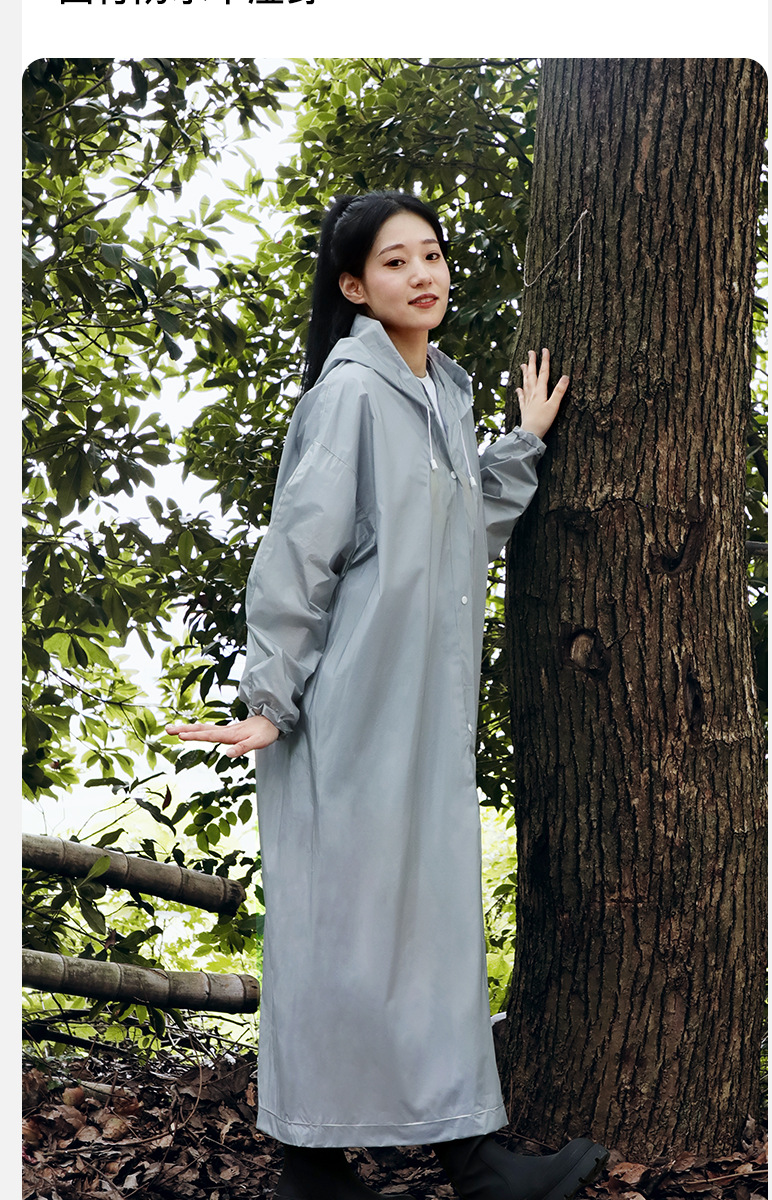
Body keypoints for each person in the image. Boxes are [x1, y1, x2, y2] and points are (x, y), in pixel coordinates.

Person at [167, 191, 609, 1200]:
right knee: (344, 933)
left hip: (423, 717)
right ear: (355, 287)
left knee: (426, 930)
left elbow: (464, 526)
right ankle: (326, 1163)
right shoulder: (350, 396)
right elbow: (299, 554)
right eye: (396, 261)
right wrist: (272, 698)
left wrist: (523, 443)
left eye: (432, 255)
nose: (423, 274)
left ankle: (441, 1156)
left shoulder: (442, 395)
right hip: (349, 712)